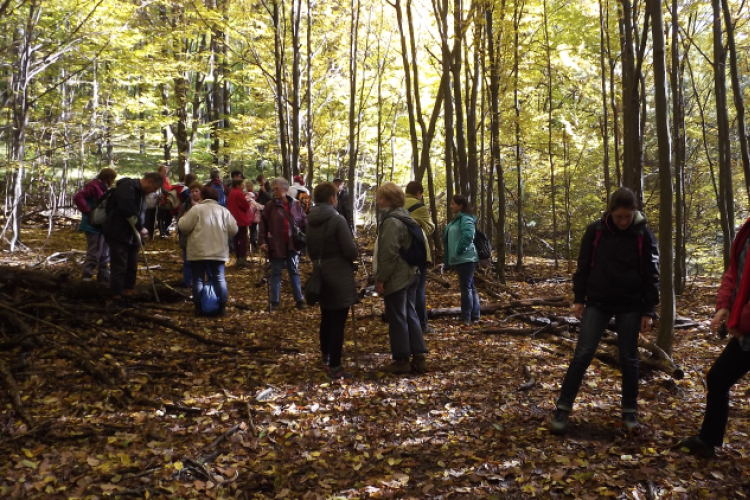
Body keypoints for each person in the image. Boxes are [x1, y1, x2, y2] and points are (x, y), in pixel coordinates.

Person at [550, 187, 659, 435]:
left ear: (634, 213)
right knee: (583, 354)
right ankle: (563, 408)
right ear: (610, 212)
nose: (623, 221)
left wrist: (648, 310)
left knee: (629, 358)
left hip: (631, 304)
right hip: (598, 302)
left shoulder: (644, 234)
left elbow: (651, 274)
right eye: (619, 216)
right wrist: (579, 298)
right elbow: (584, 264)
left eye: (627, 217)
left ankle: (629, 411)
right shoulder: (596, 230)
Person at [678, 217, 750, 457]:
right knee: (718, 378)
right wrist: (725, 306)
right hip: (746, 333)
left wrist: (740, 321)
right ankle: (708, 440)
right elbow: (734, 272)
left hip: (746, 327)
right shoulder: (747, 229)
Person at [374, 182, 428, 374]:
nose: (377, 199)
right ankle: (419, 358)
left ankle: (401, 360)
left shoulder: (392, 221)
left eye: (380, 197)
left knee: (397, 317)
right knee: (410, 313)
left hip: (399, 276)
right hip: (413, 273)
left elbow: (388, 254)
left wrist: (380, 279)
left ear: (388, 200)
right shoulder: (407, 217)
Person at [306, 182, 359, 380]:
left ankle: (325, 355)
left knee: (326, 316)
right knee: (338, 321)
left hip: (320, 272)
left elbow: (309, 248)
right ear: (332, 199)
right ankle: (335, 367)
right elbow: (350, 251)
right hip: (339, 275)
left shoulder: (310, 220)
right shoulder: (337, 220)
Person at [103, 172, 165, 308]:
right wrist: (140, 227)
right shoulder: (127, 187)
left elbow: (141, 212)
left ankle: (128, 296)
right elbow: (128, 210)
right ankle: (116, 298)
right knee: (119, 266)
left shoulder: (142, 194)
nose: (152, 193)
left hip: (133, 236)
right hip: (118, 234)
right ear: (149, 181)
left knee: (131, 267)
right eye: (153, 189)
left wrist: (141, 229)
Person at [178, 186, 238, 316]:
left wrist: (183, 218)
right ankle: (222, 307)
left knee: (198, 279)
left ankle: (198, 307)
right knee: (219, 278)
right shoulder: (223, 211)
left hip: (198, 250)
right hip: (218, 251)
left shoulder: (196, 210)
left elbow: (184, 227)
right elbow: (234, 230)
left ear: (202, 196)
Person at [259, 178, 308, 311]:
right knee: (276, 272)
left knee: (294, 270)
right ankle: (274, 302)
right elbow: (262, 223)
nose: (274, 191)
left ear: (285, 190)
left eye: (276, 189)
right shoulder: (270, 205)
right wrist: (262, 241)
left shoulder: (296, 205)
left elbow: (304, 222)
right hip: (276, 244)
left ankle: (299, 300)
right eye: (273, 189)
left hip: (293, 244)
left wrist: (307, 238)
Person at [73, 168, 117, 283]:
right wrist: (88, 212)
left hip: (101, 227)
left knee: (104, 252)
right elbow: (78, 197)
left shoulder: (103, 188)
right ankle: (86, 277)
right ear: (108, 179)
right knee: (94, 252)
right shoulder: (94, 187)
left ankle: (103, 276)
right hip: (92, 226)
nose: (113, 181)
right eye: (113, 179)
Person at [443, 195, 480, 327]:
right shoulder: (455, 221)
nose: (450, 206)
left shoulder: (465, 219)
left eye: (453, 203)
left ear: (461, 205)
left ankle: (466, 316)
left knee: (466, 288)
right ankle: (475, 315)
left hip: (466, 258)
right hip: (461, 259)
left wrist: (459, 250)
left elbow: (469, 235)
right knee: (470, 287)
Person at [404, 181, 436, 333]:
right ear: (418, 193)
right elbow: (430, 227)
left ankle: (405, 323)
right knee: (418, 289)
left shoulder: (396, 204)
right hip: (417, 252)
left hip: (401, 251)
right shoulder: (419, 206)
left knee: (402, 289)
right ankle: (421, 325)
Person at [177, 182, 203, 288]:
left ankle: (199, 284)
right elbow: (180, 221)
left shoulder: (205, 205)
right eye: (192, 191)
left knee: (200, 264)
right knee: (187, 263)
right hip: (187, 238)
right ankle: (187, 283)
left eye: (196, 191)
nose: (194, 194)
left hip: (201, 239)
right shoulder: (186, 205)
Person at [227, 178, 251, 267]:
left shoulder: (231, 193)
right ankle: (242, 259)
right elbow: (245, 205)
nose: (243, 186)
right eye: (242, 185)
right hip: (240, 219)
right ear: (237, 185)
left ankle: (239, 258)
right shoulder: (238, 193)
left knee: (236, 239)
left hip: (234, 219)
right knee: (242, 239)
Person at [156, 164, 174, 237]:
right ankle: (162, 232)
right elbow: (161, 188)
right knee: (161, 217)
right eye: (164, 171)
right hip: (161, 200)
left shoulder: (166, 178)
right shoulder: (157, 179)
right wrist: (169, 193)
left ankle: (166, 230)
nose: (165, 172)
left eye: (166, 171)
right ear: (159, 171)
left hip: (168, 200)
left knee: (169, 216)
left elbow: (169, 187)